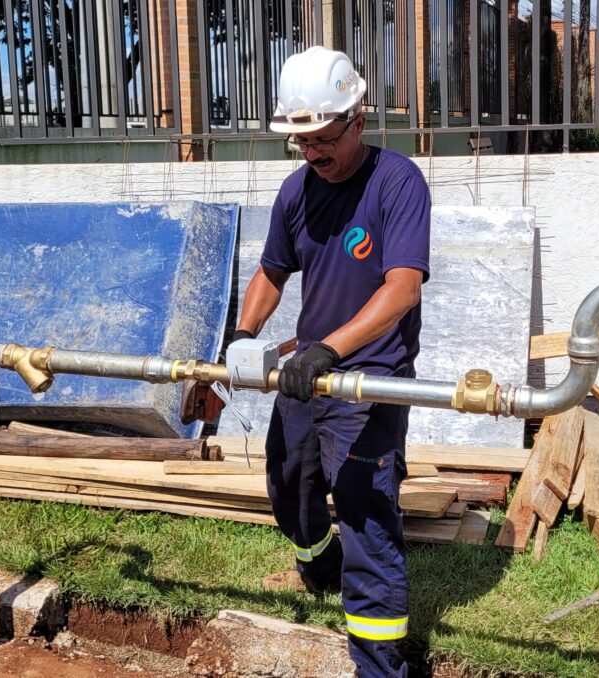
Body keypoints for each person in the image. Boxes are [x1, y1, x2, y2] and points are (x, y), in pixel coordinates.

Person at [229, 45, 431, 677]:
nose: (313, 153)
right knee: (290, 487)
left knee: (366, 515)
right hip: (305, 376)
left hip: (369, 379)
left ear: (357, 117)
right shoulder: (297, 192)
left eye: (323, 138)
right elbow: (271, 272)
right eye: (302, 141)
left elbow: (402, 287)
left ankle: (379, 664)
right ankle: (319, 562)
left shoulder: (396, 182)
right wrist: (241, 336)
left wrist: (330, 350)